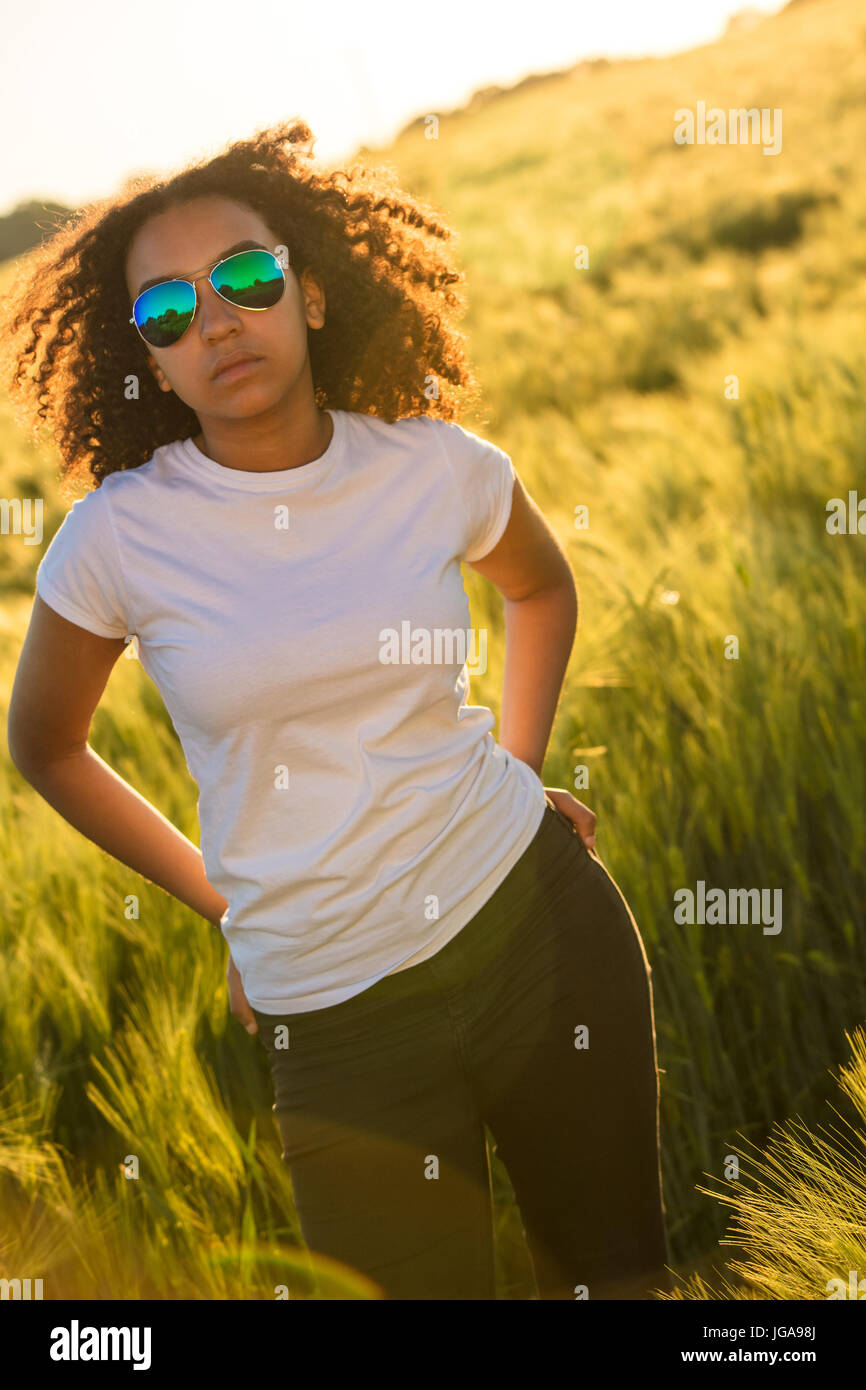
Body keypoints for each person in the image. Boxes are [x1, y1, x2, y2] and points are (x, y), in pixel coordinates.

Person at [3, 120, 672, 1301]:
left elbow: (538, 585)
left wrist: (517, 769)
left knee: (614, 1282)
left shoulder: (431, 466)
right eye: (167, 310)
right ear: (150, 360)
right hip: (336, 1020)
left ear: (308, 294)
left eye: (246, 279)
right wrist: (227, 902)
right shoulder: (119, 538)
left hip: (540, 935)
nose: (214, 321)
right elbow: (47, 746)